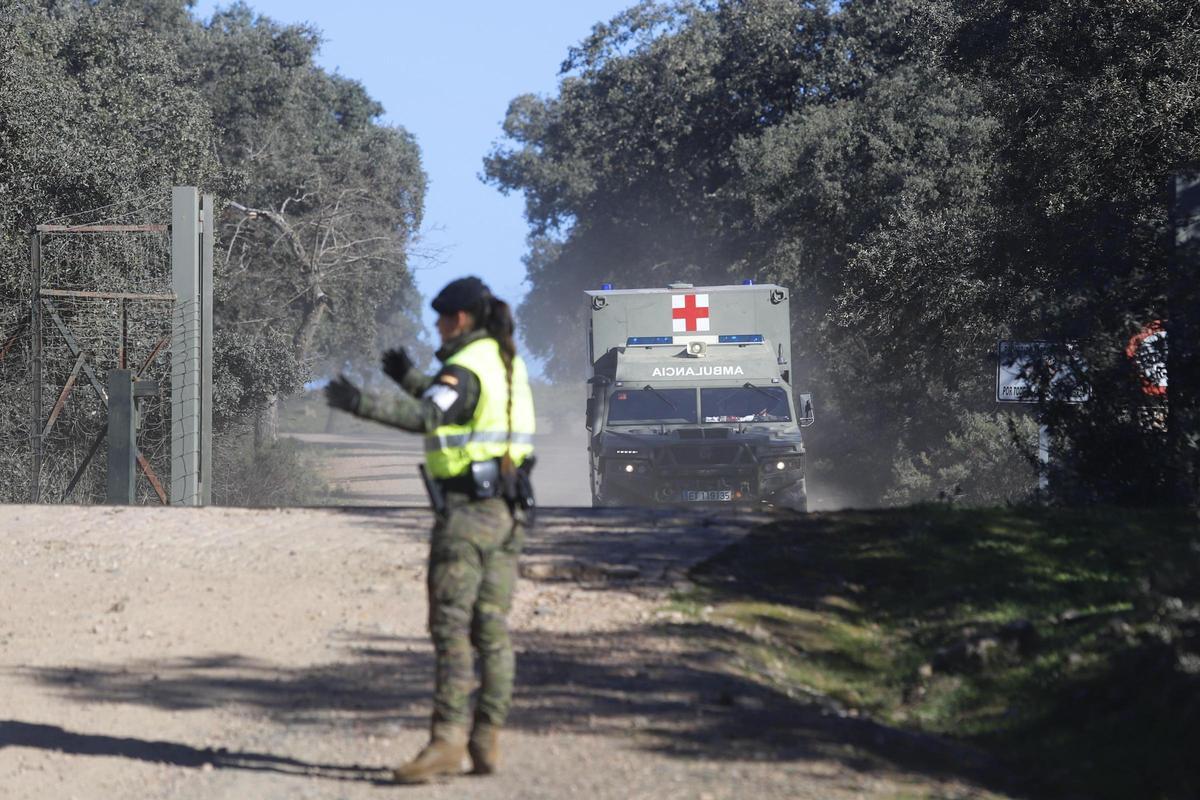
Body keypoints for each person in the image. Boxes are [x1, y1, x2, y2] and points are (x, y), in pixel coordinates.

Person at [324, 276, 536, 784]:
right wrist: (409, 377)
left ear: (459, 319)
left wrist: (359, 403)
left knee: (451, 630)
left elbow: (428, 416)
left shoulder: (465, 367)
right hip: (509, 512)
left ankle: (446, 742)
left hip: (467, 517)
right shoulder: (504, 361)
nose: (437, 327)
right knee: (492, 631)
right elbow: (454, 406)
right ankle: (486, 740)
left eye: (441, 318)